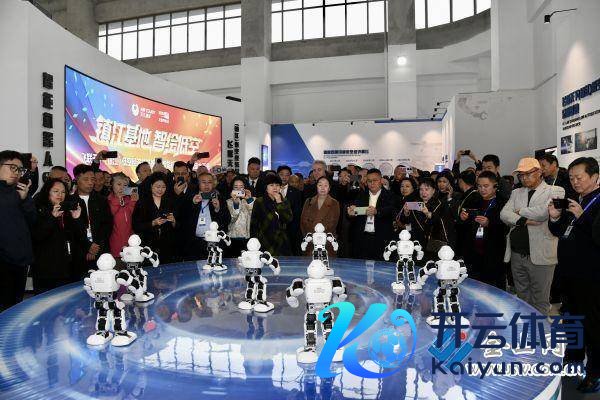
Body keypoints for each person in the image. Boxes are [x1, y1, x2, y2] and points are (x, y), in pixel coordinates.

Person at [548, 157, 600, 392]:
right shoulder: (576, 200)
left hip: (592, 278)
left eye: (579, 177)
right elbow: (562, 232)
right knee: (572, 320)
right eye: (571, 178)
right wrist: (554, 217)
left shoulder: (596, 202)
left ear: (595, 176)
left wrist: (582, 217)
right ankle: (573, 359)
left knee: (593, 327)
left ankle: (595, 373)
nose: (575, 182)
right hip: (570, 275)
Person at [500, 157, 565, 315]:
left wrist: (519, 211)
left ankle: (540, 329)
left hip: (541, 254)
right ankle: (526, 327)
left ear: (539, 172)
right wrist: (524, 220)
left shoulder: (556, 190)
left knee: (540, 299)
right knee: (522, 297)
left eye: (528, 174)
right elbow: (503, 214)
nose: (524, 178)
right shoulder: (516, 192)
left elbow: (543, 212)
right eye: (521, 175)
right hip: (517, 254)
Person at [31, 178, 84, 293]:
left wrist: (76, 219)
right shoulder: (38, 209)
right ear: (47, 192)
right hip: (46, 271)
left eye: (63, 192)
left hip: (68, 268)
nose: (60, 195)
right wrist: (52, 217)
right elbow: (37, 236)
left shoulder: (68, 211)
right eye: (56, 191)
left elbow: (80, 237)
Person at [0, 151, 36, 311]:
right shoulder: (9, 195)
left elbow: (32, 221)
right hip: (3, 261)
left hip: (20, 260)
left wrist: (26, 199)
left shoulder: (20, 192)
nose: (17, 173)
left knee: (16, 307)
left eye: (20, 169)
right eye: (12, 167)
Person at [458, 171, 507, 289]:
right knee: (473, 288)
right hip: (473, 253)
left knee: (492, 290)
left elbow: (506, 227)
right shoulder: (473, 200)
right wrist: (463, 218)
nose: (482, 189)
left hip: (493, 253)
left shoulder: (503, 203)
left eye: (486, 186)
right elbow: (462, 228)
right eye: (479, 186)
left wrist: (489, 223)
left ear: (495, 186)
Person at [70, 164, 113, 280]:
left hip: (101, 251)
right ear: (77, 179)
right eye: (86, 179)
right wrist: (87, 246)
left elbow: (107, 225)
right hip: (79, 253)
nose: (90, 183)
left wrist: (95, 247)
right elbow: (71, 230)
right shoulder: (70, 201)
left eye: (92, 179)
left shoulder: (101, 200)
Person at [400, 178, 455, 262]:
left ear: (433, 191)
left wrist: (428, 213)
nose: (423, 192)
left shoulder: (440, 204)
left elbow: (442, 222)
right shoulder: (415, 203)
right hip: (416, 242)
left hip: (433, 243)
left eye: (426, 189)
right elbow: (406, 222)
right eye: (421, 189)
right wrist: (406, 212)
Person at [178, 172, 231, 261]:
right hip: (194, 242)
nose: (207, 185)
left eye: (209, 182)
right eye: (203, 182)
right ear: (198, 184)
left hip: (214, 241)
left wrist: (218, 209)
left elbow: (227, 220)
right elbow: (182, 218)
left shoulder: (219, 198)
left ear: (213, 184)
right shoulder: (190, 197)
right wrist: (193, 203)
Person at [347, 168, 398, 260]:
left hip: (381, 239)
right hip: (362, 239)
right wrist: (351, 213)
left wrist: (377, 211)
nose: (372, 183)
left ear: (381, 180)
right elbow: (353, 213)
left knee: (381, 266)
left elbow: (392, 211)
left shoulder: (390, 195)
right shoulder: (361, 195)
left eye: (375, 180)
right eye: (369, 181)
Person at [132, 172, 177, 264]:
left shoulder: (170, 202)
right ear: (151, 186)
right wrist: (153, 223)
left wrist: (173, 221)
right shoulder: (142, 202)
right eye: (157, 186)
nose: (160, 190)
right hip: (148, 246)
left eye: (163, 187)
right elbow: (136, 226)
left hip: (167, 246)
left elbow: (178, 225)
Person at [250, 174, 293, 256]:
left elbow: (288, 219)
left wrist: (279, 202)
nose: (275, 188)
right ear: (266, 187)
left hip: (281, 242)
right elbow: (254, 223)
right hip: (264, 239)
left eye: (277, 185)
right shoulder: (259, 201)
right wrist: (254, 240)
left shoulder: (284, 201)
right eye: (271, 185)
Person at [300, 176, 340, 257]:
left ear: (329, 188)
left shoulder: (334, 203)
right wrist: (310, 236)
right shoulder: (309, 201)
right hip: (310, 241)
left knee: (326, 263)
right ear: (316, 186)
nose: (322, 188)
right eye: (320, 185)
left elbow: (333, 224)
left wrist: (319, 236)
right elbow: (303, 221)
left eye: (326, 185)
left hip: (326, 242)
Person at [107, 173, 138, 258]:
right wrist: (118, 200)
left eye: (125, 185)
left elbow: (133, 215)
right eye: (119, 184)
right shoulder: (108, 200)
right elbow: (110, 214)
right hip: (115, 242)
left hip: (130, 241)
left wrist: (134, 201)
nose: (122, 188)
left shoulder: (129, 199)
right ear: (112, 185)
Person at [454, 170, 482, 258]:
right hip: (464, 233)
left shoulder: (475, 196)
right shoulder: (466, 194)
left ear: (461, 181)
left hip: (469, 235)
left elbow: (472, 216)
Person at [226, 177, 255, 256]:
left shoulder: (252, 199)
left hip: (248, 237)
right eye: (236, 187)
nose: (238, 189)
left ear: (245, 188)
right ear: (232, 189)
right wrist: (235, 204)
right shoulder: (228, 202)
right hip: (232, 237)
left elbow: (254, 215)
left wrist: (249, 200)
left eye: (241, 187)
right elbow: (231, 219)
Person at [278, 165, 303, 255]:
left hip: (291, 230)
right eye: (281, 174)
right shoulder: (272, 190)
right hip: (274, 229)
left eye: (287, 175)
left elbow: (297, 212)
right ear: (277, 175)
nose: (284, 177)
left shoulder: (296, 192)